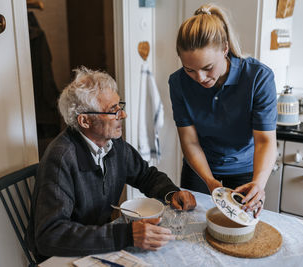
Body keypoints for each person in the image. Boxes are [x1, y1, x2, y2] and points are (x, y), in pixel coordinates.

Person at [26, 67, 196, 260]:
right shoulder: (60, 158)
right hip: (63, 255)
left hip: (100, 239)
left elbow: (145, 175)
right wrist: (126, 234)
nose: (123, 115)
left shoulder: (114, 144)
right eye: (113, 110)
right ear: (85, 121)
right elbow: (50, 236)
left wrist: (171, 193)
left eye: (119, 106)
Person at [168, 3, 277, 217]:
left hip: (245, 170)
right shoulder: (178, 82)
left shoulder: (258, 78)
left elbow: (265, 140)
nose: (199, 78)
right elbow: (189, 141)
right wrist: (209, 181)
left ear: (225, 49)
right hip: (199, 170)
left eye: (208, 68)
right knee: (192, 226)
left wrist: (258, 183)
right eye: (190, 69)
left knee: (241, 228)